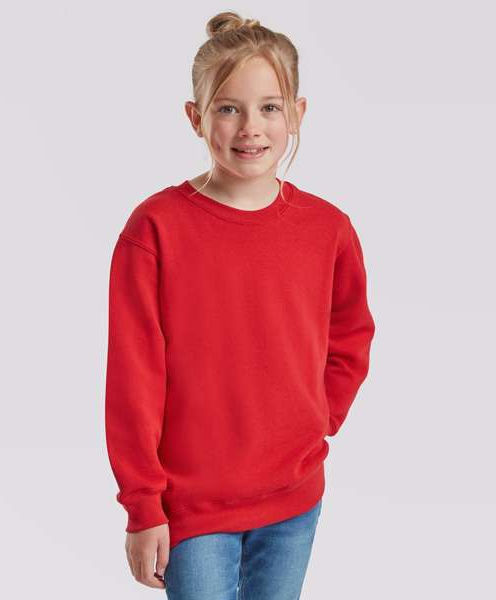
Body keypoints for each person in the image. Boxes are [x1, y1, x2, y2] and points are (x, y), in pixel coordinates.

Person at [105, 11, 376, 600]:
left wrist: (317, 418)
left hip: (294, 499)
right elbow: (133, 378)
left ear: (297, 113)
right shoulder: (155, 229)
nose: (251, 128)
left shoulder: (328, 228)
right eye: (228, 108)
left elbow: (351, 336)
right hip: (191, 505)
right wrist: (143, 505)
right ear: (195, 116)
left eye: (269, 107)